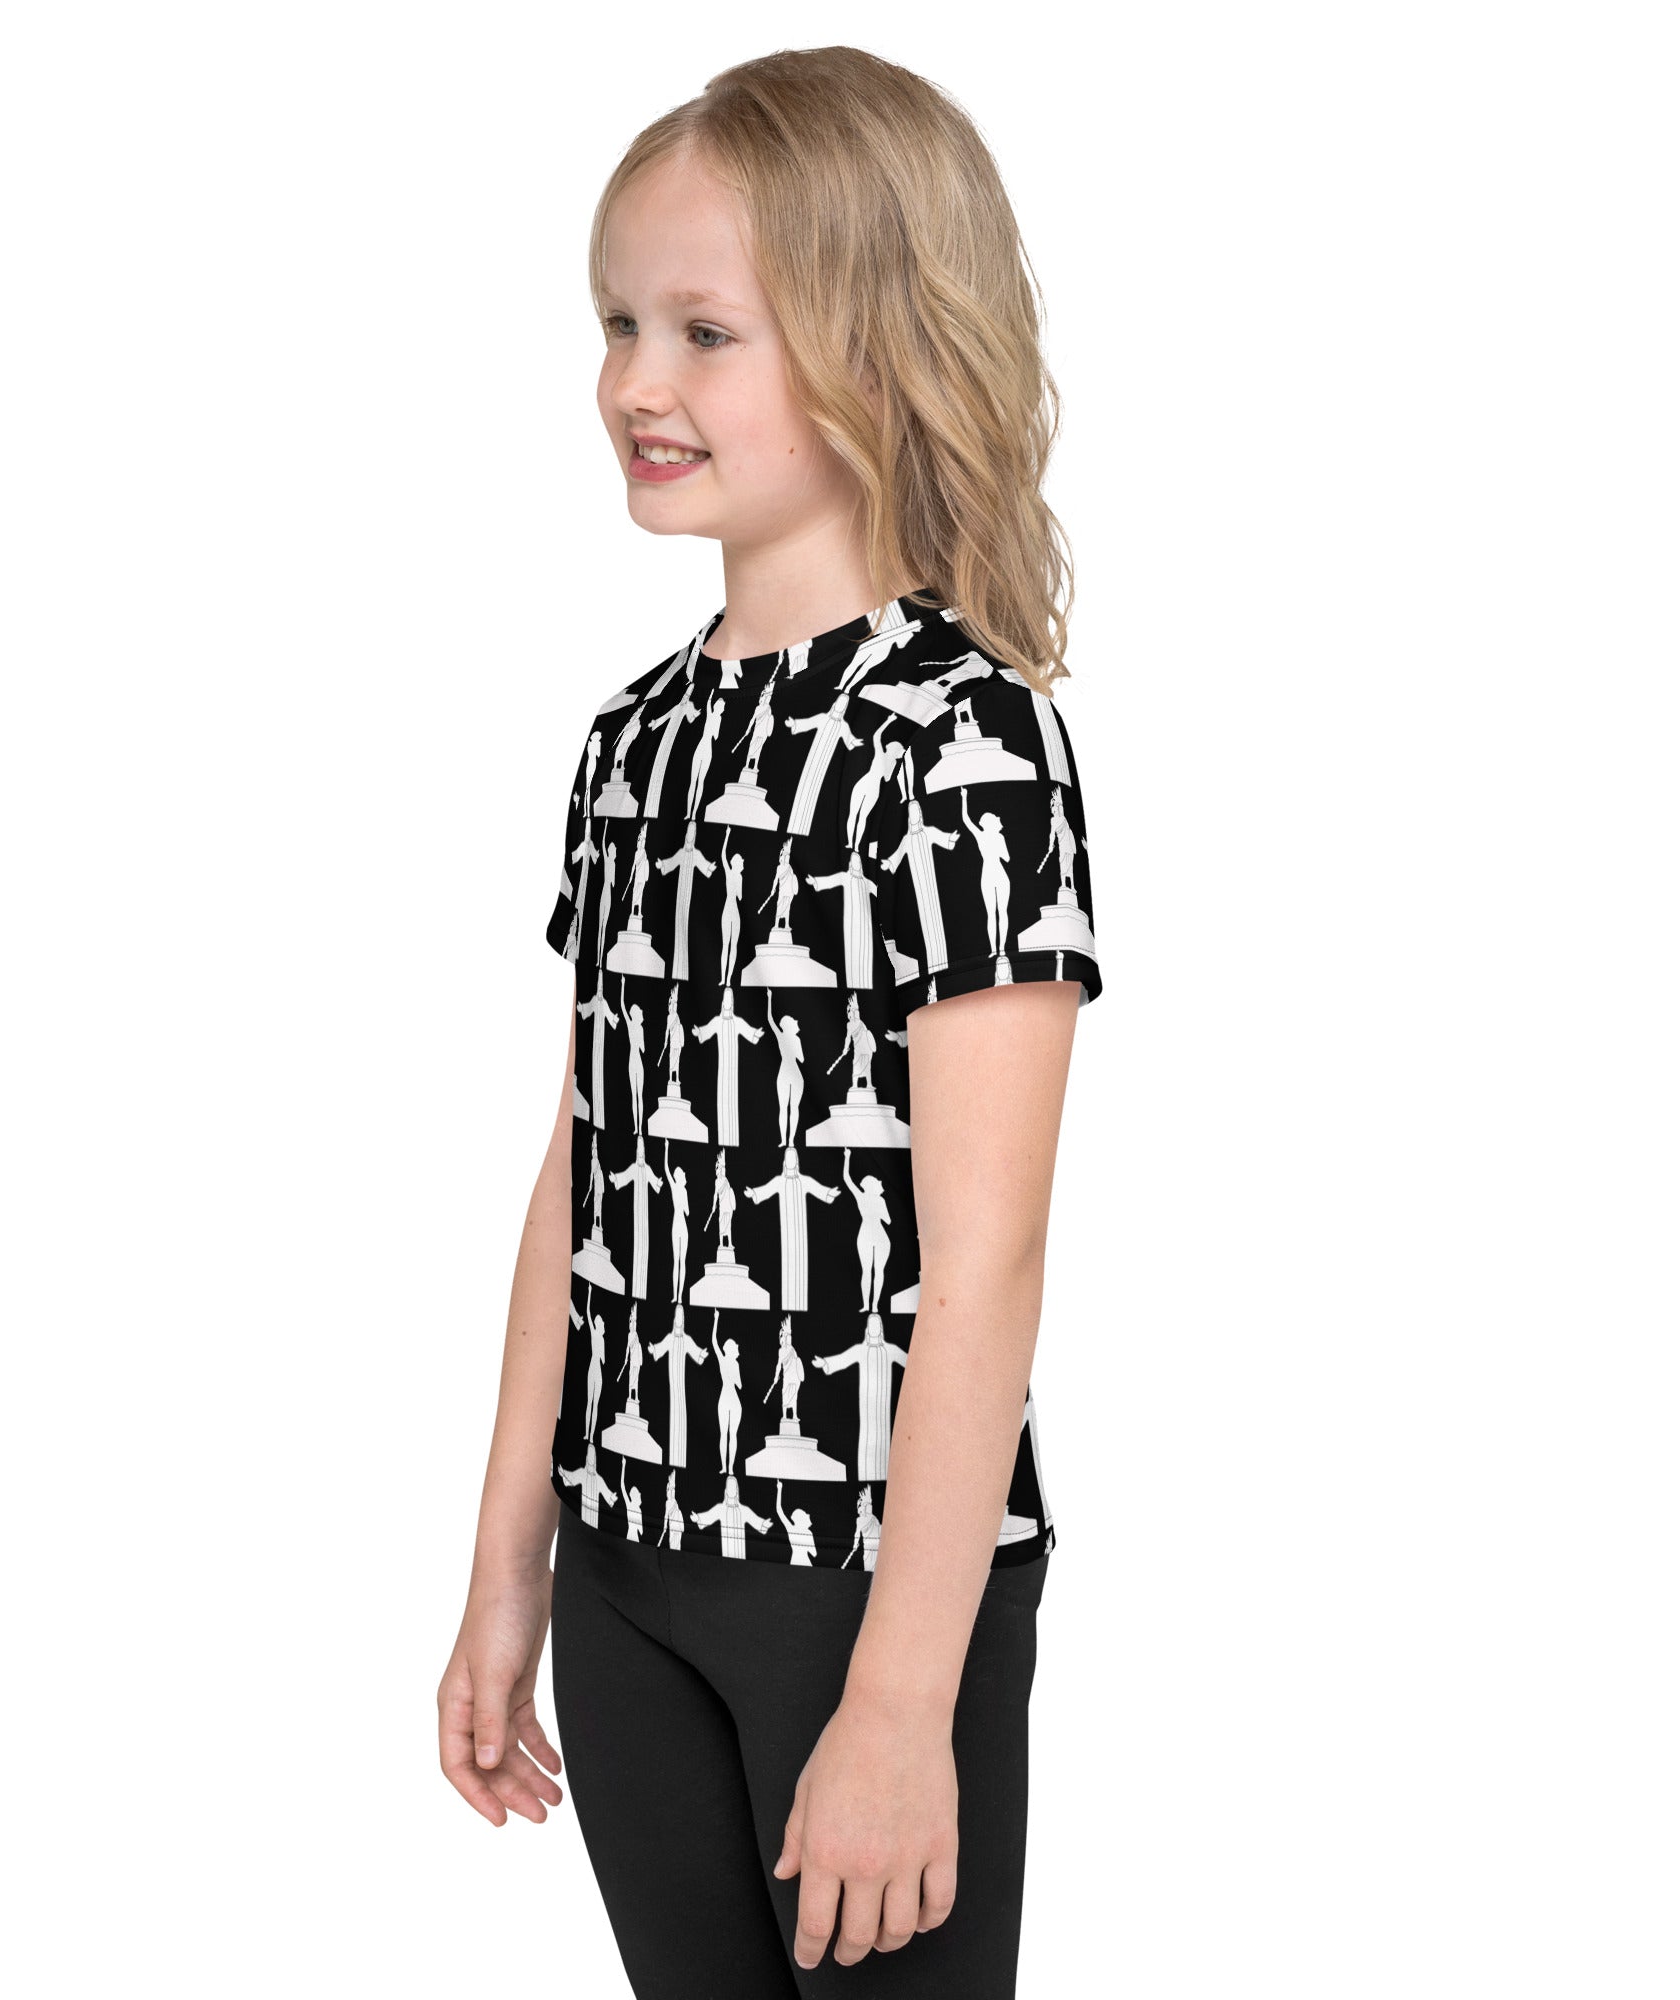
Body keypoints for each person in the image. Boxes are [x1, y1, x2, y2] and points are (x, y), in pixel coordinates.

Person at [437, 46, 1101, 1998]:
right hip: (627, 1574)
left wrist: (901, 1698)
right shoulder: (633, 746)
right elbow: (589, 1171)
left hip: (863, 1589)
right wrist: (507, 1569)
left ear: (880, 344)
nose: (634, 383)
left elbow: (985, 1258)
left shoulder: (964, 747)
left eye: (702, 333)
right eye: (617, 325)